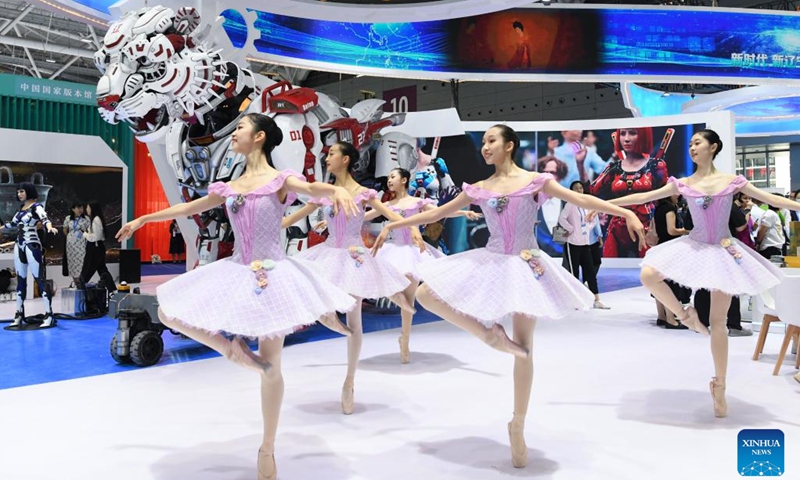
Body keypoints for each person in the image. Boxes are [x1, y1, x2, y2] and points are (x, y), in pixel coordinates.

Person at [371, 124, 645, 468]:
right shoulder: (480, 187)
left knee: (524, 349)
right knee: (426, 293)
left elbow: (582, 199)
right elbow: (437, 213)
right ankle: (487, 333)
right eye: (483, 141)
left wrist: (627, 212)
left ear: (509, 145)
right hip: (491, 258)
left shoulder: (535, 181)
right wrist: (393, 225)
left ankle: (518, 423)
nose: (485, 147)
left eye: (491, 141)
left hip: (526, 265)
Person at [116, 113, 359, 480]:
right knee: (167, 312)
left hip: (274, 274)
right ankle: (229, 349)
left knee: (271, 366)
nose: (233, 134)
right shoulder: (229, 185)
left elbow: (311, 190)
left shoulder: (280, 179)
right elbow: (188, 208)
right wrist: (143, 220)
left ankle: (267, 447)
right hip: (235, 268)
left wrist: (337, 189)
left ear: (259, 137)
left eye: (241, 127)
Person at [610, 128, 799, 418]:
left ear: (714, 147)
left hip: (723, 251)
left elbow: (775, 200)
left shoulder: (732, 181)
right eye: (690, 144)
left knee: (719, 323)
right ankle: (686, 315)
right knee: (649, 274)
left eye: (697, 142)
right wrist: (605, 206)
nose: (692, 147)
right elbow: (643, 195)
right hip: (695, 246)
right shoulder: (683, 183)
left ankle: (720, 386)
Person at [283, 141, 424, 415]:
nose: (327, 157)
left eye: (332, 153)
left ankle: (350, 380)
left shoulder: (363, 193)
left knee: (354, 318)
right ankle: (328, 313)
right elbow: (296, 216)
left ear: (346, 159)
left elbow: (389, 213)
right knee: (306, 280)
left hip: (353, 255)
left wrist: (414, 229)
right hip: (328, 251)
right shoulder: (324, 193)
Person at [362, 167, 482, 363]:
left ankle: (405, 340)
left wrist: (462, 213)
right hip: (393, 250)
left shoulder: (417, 202)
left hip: (413, 251)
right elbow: (364, 216)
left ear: (404, 180)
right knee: (380, 277)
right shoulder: (387, 204)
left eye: (393, 176)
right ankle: (395, 304)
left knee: (408, 301)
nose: (389, 180)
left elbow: (438, 213)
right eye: (389, 177)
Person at [590, 127, 668, 258]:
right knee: (611, 273)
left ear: (643, 136)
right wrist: (581, 165)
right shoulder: (613, 167)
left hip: (647, 227)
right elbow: (592, 191)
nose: (626, 139)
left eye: (632, 133)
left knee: (648, 270)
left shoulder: (656, 165)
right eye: (623, 133)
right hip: (617, 229)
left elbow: (665, 200)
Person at [690, 201, 753, 337]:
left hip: (701, 246)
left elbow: (688, 225)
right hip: (724, 246)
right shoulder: (726, 201)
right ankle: (733, 325)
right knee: (729, 285)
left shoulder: (698, 203)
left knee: (703, 285)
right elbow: (741, 226)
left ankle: (701, 322)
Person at [4, 182, 59, 329]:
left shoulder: (37, 206)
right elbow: (11, 224)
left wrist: (50, 227)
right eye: (18, 192)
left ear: (28, 191)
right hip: (19, 245)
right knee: (20, 280)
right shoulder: (21, 209)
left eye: (21, 191)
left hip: (32, 244)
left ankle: (48, 315)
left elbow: (45, 219)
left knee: (39, 279)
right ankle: (19, 314)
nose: (19, 194)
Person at [558, 181, 608, 309]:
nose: (579, 190)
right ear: (571, 191)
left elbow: (592, 220)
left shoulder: (586, 205)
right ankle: (575, 300)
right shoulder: (570, 204)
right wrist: (571, 229)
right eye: (576, 189)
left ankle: (596, 299)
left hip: (585, 244)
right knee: (573, 273)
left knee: (590, 272)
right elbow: (561, 219)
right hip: (572, 244)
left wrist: (587, 228)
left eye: (580, 188)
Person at [652, 194, 690, 329]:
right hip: (670, 248)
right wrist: (688, 231)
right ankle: (671, 319)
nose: (679, 195)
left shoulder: (659, 208)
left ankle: (661, 316)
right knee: (670, 283)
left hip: (661, 247)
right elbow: (672, 230)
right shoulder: (669, 208)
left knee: (660, 282)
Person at [79, 200, 116, 292]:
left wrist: (85, 234)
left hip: (95, 248)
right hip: (95, 247)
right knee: (102, 270)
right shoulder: (94, 219)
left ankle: (80, 288)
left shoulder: (96, 220)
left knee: (87, 269)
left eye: (87, 207)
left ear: (92, 208)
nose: (86, 209)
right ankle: (112, 289)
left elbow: (96, 237)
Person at [62, 202, 89, 286]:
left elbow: (89, 230)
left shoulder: (86, 219)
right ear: (73, 209)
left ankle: (82, 282)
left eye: (81, 208)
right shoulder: (68, 218)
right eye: (78, 208)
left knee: (82, 262)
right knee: (72, 262)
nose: (80, 210)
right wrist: (70, 237)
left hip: (81, 243)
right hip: (71, 245)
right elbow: (65, 230)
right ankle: (76, 282)